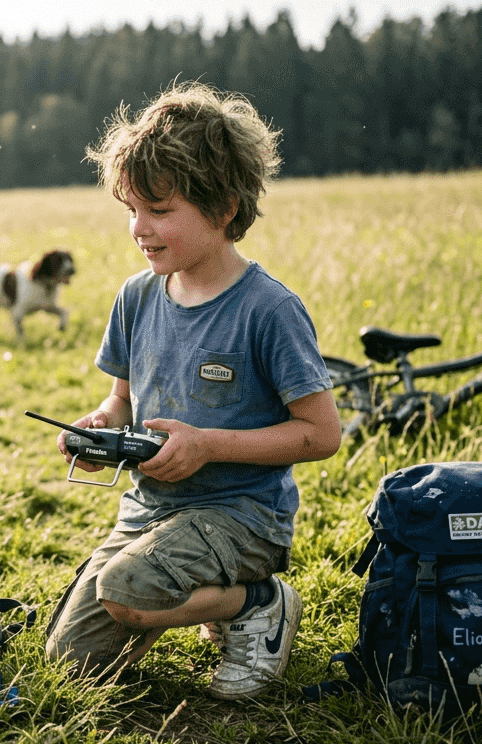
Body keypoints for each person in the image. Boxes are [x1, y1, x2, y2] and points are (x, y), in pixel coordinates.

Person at [42, 81, 341, 700]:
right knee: (71, 661)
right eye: (130, 209)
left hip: (242, 516)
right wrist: (99, 427)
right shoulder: (136, 297)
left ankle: (258, 602)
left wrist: (207, 446)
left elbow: (322, 435)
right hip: (150, 510)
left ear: (224, 208)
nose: (138, 228)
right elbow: (121, 400)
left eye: (158, 210)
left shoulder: (269, 310)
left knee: (125, 591)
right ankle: (193, 591)